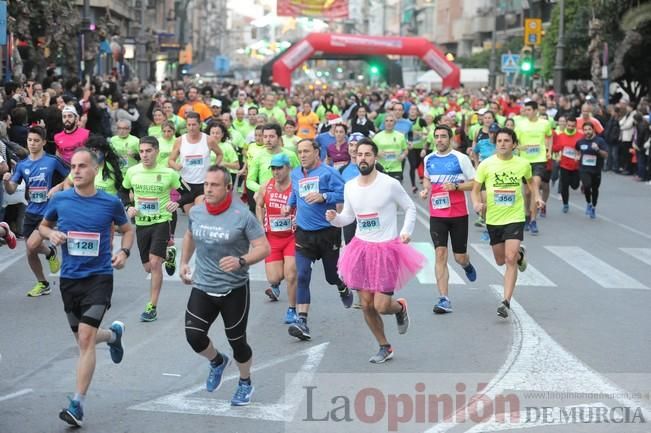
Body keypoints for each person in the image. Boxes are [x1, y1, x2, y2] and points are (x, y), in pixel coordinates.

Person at [38, 147, 134, 427]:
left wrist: (124, 253)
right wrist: (51, 232)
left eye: (82, 166)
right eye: (73, 167)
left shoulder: (110, 202)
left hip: (99, 277)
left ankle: (77, 403)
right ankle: (114, 336)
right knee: (83, 337)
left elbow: (127, 230)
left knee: (84, 339)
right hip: (69, 278)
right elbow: (44, 226)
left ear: (95, 170)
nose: (76, 171)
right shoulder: (61, 199)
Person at [326, 138, 423, 363]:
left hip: (386, 248)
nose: (363, 158)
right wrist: (334, 219)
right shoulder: (350, 186)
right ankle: (384, 346)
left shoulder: (389, 184)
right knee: (366, 304)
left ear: (375, 157)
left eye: (367, 154)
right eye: (359, 154)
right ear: (354, 157)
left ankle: (399, 308)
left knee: (381, 305)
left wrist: (406, 232)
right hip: (361, 249)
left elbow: (409, 207)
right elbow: (348, 217)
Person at [180, 165, 270, 406]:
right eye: (206, 184)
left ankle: (245, 381)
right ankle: (217, 361)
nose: (208, 189)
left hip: (234, 289)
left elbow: (264, 247)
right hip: (203, 285)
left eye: (214, 185)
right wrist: (184, 262)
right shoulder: (197, 212)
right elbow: (189, 235)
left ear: (228, 188)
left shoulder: (242, 215)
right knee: (194, 337)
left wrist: (242, 260)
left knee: (237, 342)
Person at [283, 139, 352, 341]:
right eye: (299, 152)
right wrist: (289, 206)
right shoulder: (295, 173)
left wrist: (324, 197)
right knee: (302, 275)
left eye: (306, 151)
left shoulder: (329, 173)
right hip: (304, 233)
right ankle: (302, 321)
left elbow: (345, 194)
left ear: (316, 152)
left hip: (327, 232)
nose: (302, 155)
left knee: (331, 276)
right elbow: (295, 193)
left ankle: (342, 285)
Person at [471, 128, 543, 318]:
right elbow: (475, 189)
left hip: (515, 217)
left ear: (514, 144)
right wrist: (477, 203)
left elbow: (531, 183)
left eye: (506, 140)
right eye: (499, 141)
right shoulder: (486, 165)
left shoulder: (523, 164)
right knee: (500, 260)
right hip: (494, 218)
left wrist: (536, 197)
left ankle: (506, 302)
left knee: (509, 260)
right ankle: (520, 255)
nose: (502, 144)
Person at [2, 126, 68, 296]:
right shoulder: (23, 165)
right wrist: (6, 182)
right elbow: (11, 190)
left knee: (32, 244)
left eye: (36, 141)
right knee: (30, 251)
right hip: (31, 211)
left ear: (44, 142)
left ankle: (49, 253)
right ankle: (43, 282)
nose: (32, 144)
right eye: (30, 140)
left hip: (48, 212)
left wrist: (58, 187)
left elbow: (72, 175)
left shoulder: (52, 161)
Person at [420, 125, 478, 314]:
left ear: (450, 138)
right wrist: (426, 188)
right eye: (436, 136)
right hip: (437, 215)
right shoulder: (429, 159)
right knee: (440, 254)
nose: (439, 140)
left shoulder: (460, 159)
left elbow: (475, 184)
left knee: (459, 256)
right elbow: (427, 178)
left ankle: (466, 264)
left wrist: (455, 186)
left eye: (443, 136)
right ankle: (444, 299)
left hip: (459, 214)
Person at [123, 136, 181, 321]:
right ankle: (168, 254)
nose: (145, 155)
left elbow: (188, 192)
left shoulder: (168, 173)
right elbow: (123, 190)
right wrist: (127, 206)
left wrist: (176, 203)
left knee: (155, 263)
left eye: (148, 151)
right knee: (148, 267)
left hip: (161, 221)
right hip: (142, 224)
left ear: (156, 151)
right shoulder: (132, 172)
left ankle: (151, 307)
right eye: (141, 151)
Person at [255, 153, 298, 323]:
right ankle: (275, 286)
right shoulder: (266, 186)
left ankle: (292, 310)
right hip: (272, 237)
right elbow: (259, 205)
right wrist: (260, 225)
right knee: (274, 277)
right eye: (273, 168)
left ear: (288, 168)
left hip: (291, 237)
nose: (276, 172)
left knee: (291, 274)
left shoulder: (296, 187)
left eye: (279, 168)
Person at [168, 111, 223, 215]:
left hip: (203, 183)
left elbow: (220, 154)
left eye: (194, 124)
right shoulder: (180, 140)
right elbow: (171, 160)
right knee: (191, 217)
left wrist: (215, 167)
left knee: (200, 214)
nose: (191, 127)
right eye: (189, 125)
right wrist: (176, 165)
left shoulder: (208, 140)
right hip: (186, 184)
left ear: (200, 124)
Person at [514, 100, 552, 235]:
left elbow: (549, 136)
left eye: (529, 110)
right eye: (525, 110)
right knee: (527, 192)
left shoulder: (545, 123)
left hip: (539, 160)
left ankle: (533, 221)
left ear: (536, 110)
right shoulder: (520, 124)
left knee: (535, 186)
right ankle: (526, 215)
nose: (526, 112)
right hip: (524, 161)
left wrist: (549, 150)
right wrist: (519, 147)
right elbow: (514, 141)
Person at [576, 122, 608, 219]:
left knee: (595, 189)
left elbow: (606, 155)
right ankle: (588, 203)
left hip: (596, 170)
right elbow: (577, 151)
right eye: (585, 130)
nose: (587, 132)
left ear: (593, 130)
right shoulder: (580, 142)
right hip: (584, 169)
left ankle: (593, 206)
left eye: (589, 129)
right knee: (586, 185)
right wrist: (577, 156)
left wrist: (597, 150)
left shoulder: (600, 141)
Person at [551, 117, 583, 212]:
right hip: (564, 165)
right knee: (564, 186)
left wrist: (580, 155)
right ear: (566, 125)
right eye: (569, 125)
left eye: (573, 126)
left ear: (576, 126)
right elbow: (555, 149)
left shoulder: (580, 136)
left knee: (575, 185)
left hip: (576, 166)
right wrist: (557, 151)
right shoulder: (561, 136)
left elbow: (584, 148)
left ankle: (572, 182)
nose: (570, 127)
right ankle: (565, 204)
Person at [374, 113, 408, 181]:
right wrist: (377, 152)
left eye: (391, 121)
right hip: (381, 168)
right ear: (384, 123)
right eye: (387, 121)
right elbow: (371, 150)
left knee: (395, 191)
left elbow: (405, 150)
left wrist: (403, 156)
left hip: (396, 169)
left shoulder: (400, 136)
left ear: (394, 123)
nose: (389, 123)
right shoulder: (377, 137)